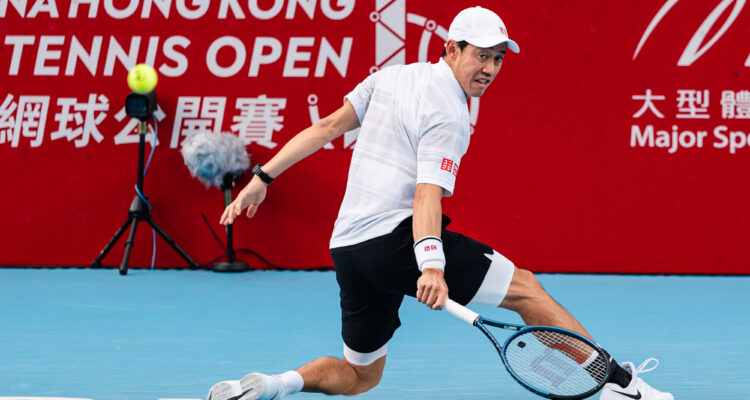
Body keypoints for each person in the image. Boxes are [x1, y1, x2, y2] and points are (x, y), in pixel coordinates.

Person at [209, 6, 673, 400]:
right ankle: (620, 386)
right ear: (451, 48)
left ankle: (273, 385)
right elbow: (426, 193)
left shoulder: (391, 78)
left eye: (497, 59)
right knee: (526, 290)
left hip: (349, 251)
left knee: (361, 376)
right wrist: (431, 265)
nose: (489, 69)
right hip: (397, 242)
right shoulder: (450, 111)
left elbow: (327, 126)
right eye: (480, 56)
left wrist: (262, 176)